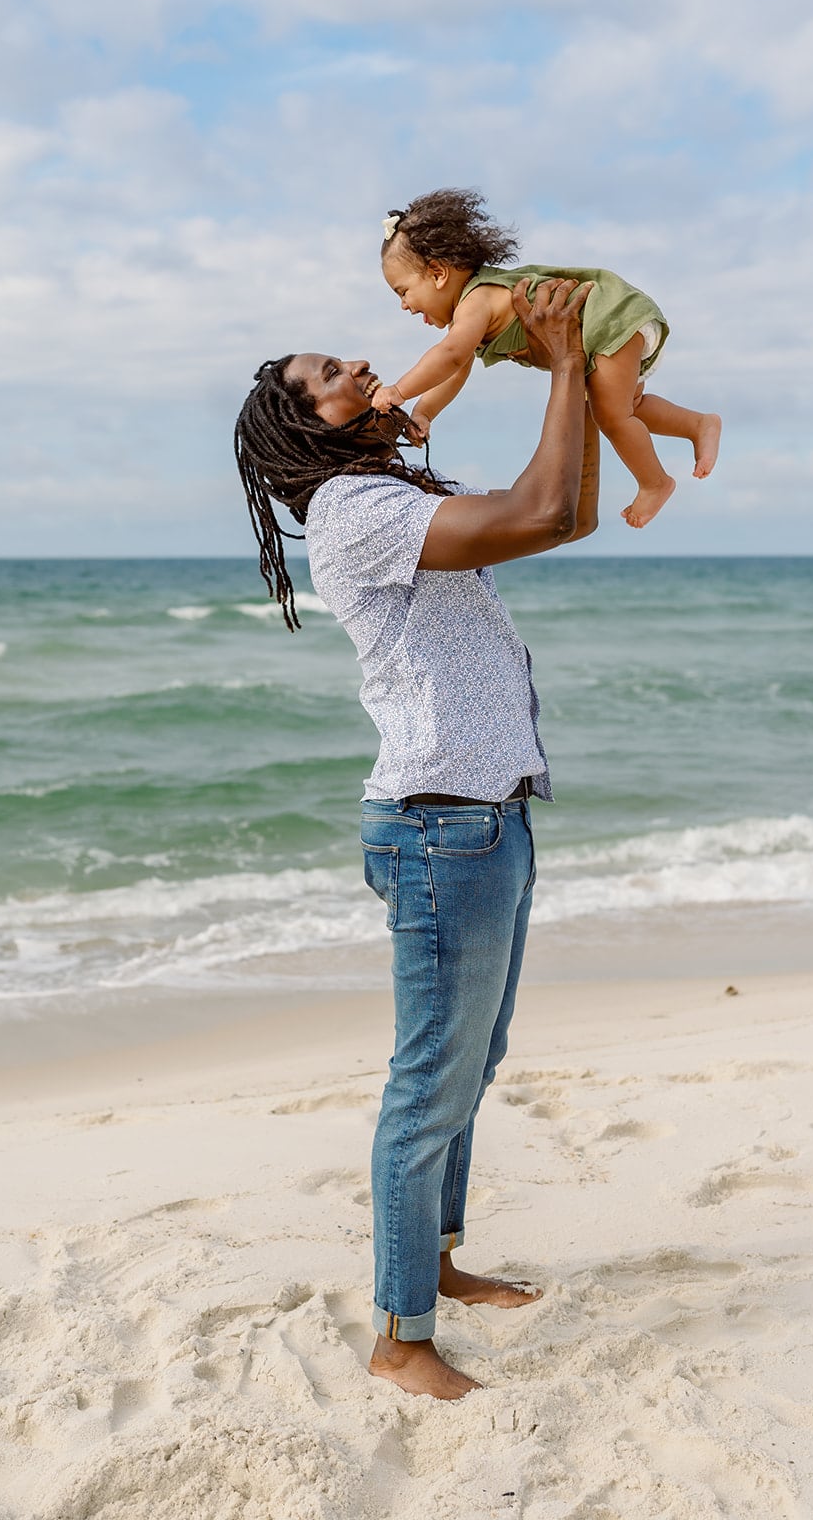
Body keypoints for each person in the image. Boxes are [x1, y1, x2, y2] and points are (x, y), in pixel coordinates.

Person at [233, 277, 596, 1400]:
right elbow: (540, 515)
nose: (358, 368)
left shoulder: (382, 486)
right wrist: (569, 363)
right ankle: (399, 1335)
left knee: (467, 1065)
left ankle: (436, 1265)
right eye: (329, 373)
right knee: (426, 1085)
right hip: (441, 831)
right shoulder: (356, 510)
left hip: (485, 817)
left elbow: (565, 510)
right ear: (307, 423)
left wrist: (548, 360)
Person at [370, 187, 721, 529]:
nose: (404, 305)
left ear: (437, 273)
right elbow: (454, 370)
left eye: (403, 291)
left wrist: (400, 390)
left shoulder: (475, 302)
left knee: (611, 415)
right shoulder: (469, 315)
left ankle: (654, 482)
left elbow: (449, 356)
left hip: (605, 318)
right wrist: (425, 411)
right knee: (628, 406)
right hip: (608, 323)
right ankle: (697, 424)